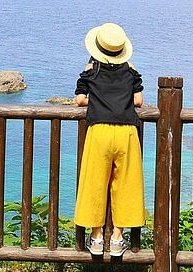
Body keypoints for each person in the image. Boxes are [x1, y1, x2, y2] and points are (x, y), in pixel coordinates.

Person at [73, 22, 145, 257]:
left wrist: (96, 98)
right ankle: (117, 237)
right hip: (126, 131)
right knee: (126, 183)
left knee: (94, 182)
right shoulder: (131, 72)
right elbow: (139, 101)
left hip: (99, 130)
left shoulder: (91, 72)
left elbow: (80, 101)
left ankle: (95, 237)